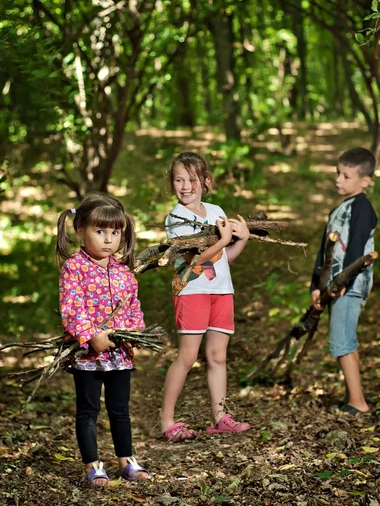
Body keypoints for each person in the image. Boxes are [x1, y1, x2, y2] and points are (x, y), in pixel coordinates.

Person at [56, 191, 150, 487]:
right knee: (88, 409)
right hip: (87, 355)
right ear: (81, 230)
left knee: (120, 408)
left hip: (120, 355)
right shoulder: (74, 267)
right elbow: (71, 308)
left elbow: (133, 306)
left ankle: (126, 460)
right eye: (100, 231)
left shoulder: (124, 272)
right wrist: (91, 336)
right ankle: (92, 465)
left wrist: (135, 332)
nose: (108, 239)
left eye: (114, 232)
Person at [161, 152, 251, 441]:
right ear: (172, 183)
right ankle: (167, 421)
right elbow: (194, 261)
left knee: (217, 356)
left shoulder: (216, 211)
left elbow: (223, 259)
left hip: (222, 291)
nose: (186, 186)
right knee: (187, 357)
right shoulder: (176, 218)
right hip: (192, 291)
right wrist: (224, 240)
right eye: (179, 179)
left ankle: (220, 416)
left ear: (206, 181)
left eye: (192, 179)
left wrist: (242, 240)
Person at [310, 147, 378, 415]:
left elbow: (357, 247)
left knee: (341, 341)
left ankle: (358, 403)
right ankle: (354, 395)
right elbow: (323, 253)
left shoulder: (363, 208)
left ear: (365, 181)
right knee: (345, 338)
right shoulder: (338, 209)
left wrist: (344, 282)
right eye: (338, 174)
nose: (339, 180)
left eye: (346, 176)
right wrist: (315, 286)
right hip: (336, 285)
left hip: (349, 284)